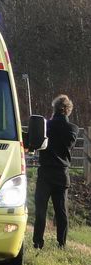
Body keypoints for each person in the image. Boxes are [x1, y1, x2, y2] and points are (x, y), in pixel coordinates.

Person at [33, 94, 79, 249]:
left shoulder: (46, 126)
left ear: (54, 109)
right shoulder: (73, 129)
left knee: (41, 210)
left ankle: (38, 241)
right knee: (61, 211)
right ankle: (61, 243)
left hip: (45, 172)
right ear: (68, 110)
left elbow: (37, 144)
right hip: (61, 173)